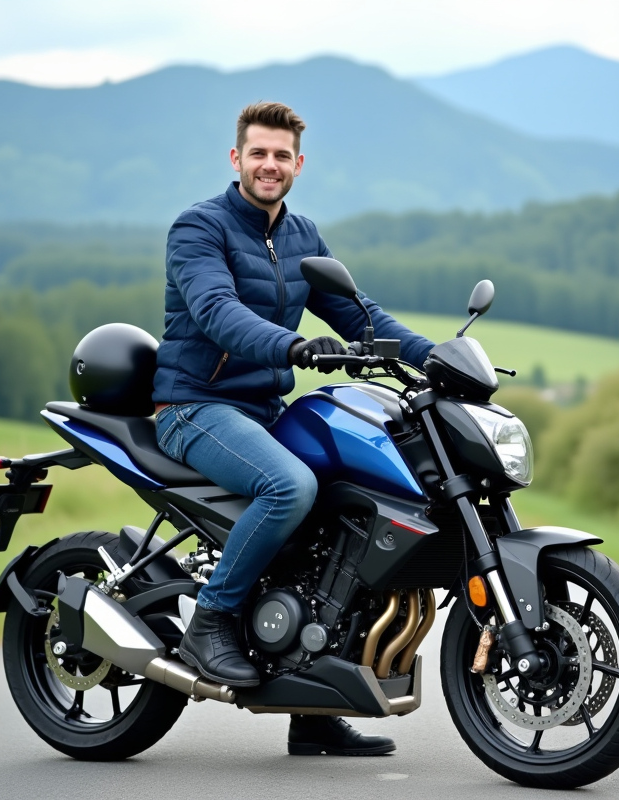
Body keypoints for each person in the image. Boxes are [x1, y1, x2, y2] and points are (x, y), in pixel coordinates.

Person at [152, 101, 434, 756]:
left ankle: (312, 706)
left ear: (298, 165)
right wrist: (294, 348)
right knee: (289, 487)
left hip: (260, 411)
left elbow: (363, 317)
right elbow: (218, 312)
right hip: (195, 406)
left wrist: (437, 357)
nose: (269, 165)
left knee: (349, 507)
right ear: (236, 159)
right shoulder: (199, 228)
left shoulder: (303, 236)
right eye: (258, 153)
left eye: (281, 156)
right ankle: (213, 619)